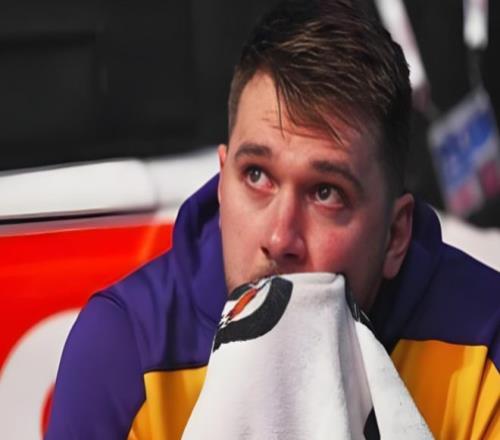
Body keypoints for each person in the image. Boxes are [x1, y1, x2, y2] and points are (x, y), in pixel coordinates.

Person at [46, 1, 500, 439]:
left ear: (395, 236)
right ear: (222, 184)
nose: (281, 238)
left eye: (326, 193)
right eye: (257, 176)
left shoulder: (484, 345)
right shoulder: (125, 347)